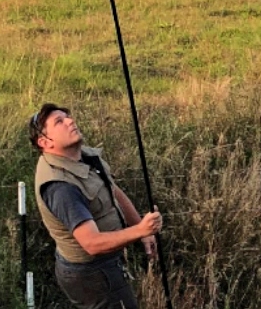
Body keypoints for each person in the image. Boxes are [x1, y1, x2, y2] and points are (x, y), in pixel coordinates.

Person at [29, 103, 163, 309]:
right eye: (59, 122)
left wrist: (143, 232)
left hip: (105, 265)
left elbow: (112, 190)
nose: (70, 121)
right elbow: (92, 243)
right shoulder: (60, 187)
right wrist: (140, 230)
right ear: (44, 142)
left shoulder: (81, 157)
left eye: (67, 116)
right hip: (91, 274)